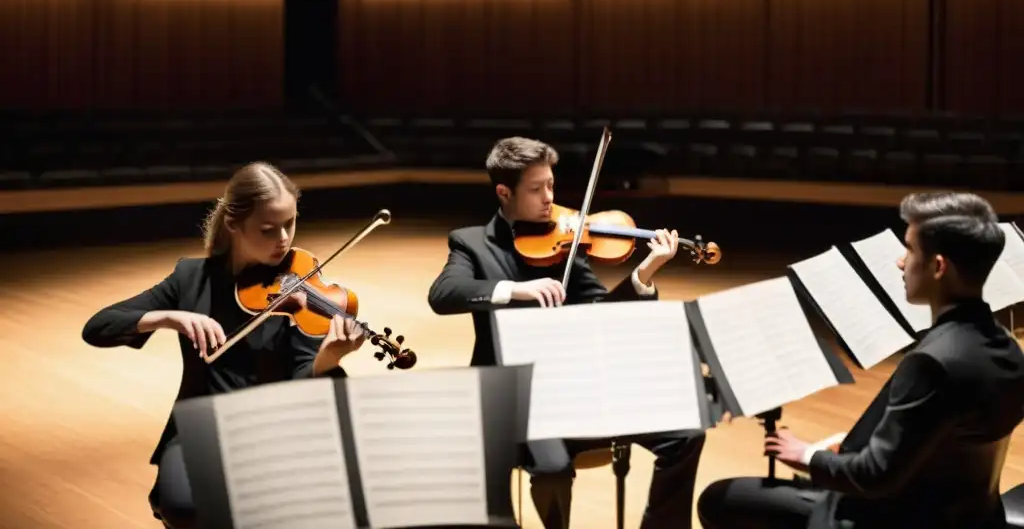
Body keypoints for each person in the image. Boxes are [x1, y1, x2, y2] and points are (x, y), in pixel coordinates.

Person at [697, 191, 1024, 529]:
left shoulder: (932, 362)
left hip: (896, 518)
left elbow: (874, 477)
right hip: (970, 515)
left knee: (719, 500)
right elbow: (946, 439)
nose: (900, 262)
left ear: (938, 267)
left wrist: (807, 454)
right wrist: (864, 444)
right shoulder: (1006, 348)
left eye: (910, 250)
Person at [427, 136, 707, 529]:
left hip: (579, 390)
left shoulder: (566, 240)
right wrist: (515, 291)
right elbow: (443, 294)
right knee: (553, 467)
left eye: (551, 185)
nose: (549, 198)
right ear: (504, 192)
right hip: (516, 400)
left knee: (686, 434)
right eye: (536, 188)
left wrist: (645, 272)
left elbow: (603, 315)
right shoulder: (471, 243)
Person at [81, 162, 367, 528]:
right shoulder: (190, 279)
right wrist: (168, 317)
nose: (283, 238)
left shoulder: (298, 290)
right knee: (183, 507)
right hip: (200, 429)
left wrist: (327, 359)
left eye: (290, 224)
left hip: (274, 430)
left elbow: (303, 379)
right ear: (234, 224)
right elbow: (98, 326)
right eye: (268, 229)